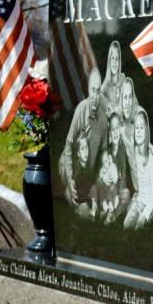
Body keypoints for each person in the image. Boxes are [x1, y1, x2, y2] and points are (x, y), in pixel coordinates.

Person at [60, 68, 108, 206]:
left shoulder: (103, 118)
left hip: (89, 170)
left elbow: (104, 149)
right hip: (73, 165)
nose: (95, 95)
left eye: (98, 91)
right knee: (72, 198)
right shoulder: (81, 110)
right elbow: (68, 145)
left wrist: (106, 165)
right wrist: (69, 179)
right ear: (88, 90)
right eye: (93, 90)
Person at [124, 107, 153, 230]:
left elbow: (152, 195)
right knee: (126, 226)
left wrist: (144, 215)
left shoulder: (149, 156)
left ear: (147, 131)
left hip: (150, 202)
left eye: (142, 128)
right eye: (136, 128)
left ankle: (152, 215)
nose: (139, 131)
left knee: (139, 227)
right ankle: (139, 211)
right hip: (139, 200)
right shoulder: (134, 152)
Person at [95, 112, 134, 224]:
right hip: (108, 188)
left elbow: (124, 178)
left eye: (117, 128)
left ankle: (113, 215)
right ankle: (105, 208)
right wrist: (104, 178)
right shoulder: (108, 150)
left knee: (126, 195)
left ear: (120, 130)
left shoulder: (124, 149)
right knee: (98, 181)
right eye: (113, 129)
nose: (115, 131)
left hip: (119, 188)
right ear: (110, 132)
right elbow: (101, 170)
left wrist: (117, 184)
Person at [100, 41, 124, 111]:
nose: (114, 62)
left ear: (120, 61)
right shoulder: (106, 83)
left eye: (117, 59)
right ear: (109, 61)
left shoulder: (123, 78)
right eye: (112, 58)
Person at [118, 76, 138, 148]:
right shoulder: (117, 128)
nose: (128, 102)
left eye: (130, 97)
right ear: (121, 101)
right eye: (125, 97)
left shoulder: (137, 123)